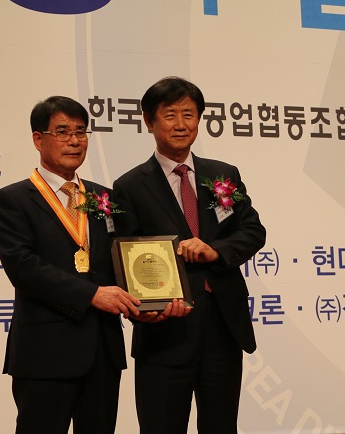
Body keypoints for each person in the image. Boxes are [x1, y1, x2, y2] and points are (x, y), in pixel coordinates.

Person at [112, 77, 267, 434]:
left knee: (222, 427)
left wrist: (215, 250)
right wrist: (144, 308)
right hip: (165, 332)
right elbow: (125, 255)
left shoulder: (222, 175)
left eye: (189, 114)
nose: (181, 124)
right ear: (149, 121)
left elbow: (252, 231)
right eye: (170, 115)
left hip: (222, 326)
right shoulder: (130, 186)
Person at [0, 96, 141, 434]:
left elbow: (125, 256)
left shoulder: (104, 197)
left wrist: (149, 298)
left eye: (80, 131)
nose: (74, 141)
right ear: (38, 139)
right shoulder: (13, 200)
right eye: (62, 132)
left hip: (102, 349)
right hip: (45, 352)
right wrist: (92, 295)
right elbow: (23, 268)